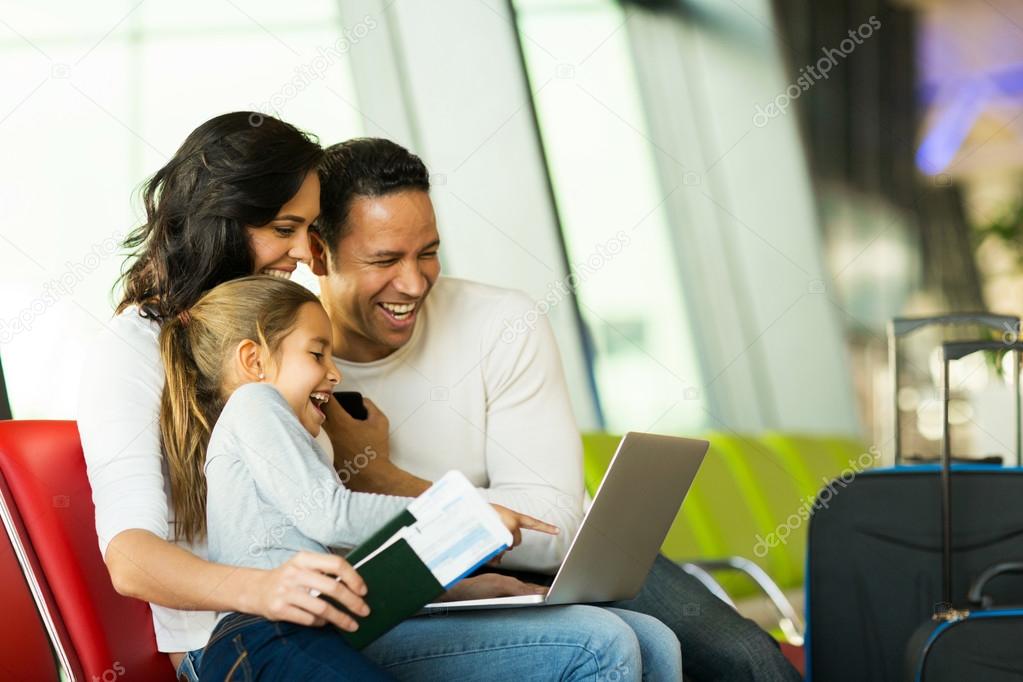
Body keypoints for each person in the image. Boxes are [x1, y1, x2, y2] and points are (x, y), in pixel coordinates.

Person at [78, 112, 682, 681]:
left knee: (650, 639)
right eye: (284, 230)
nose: (300, 253)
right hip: (239, 634)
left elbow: (314, 531)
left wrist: (452, 585)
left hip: (337, 614)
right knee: (599, 644)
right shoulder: (136, 348)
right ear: (221, 220)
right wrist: (262, 591)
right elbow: (130, 560)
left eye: (307, 230)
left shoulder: (280, 338)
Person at [310, 137, 802, 682]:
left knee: (750, 662)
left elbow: (555, 529)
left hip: (569, 563)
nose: (413, 282)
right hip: (417, 580)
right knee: (614, 646)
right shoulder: (289, 360)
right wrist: (474, 537)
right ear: (316, 252)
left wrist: (385, 477)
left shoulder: (501, 323)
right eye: (384, 259)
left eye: (427, 252)